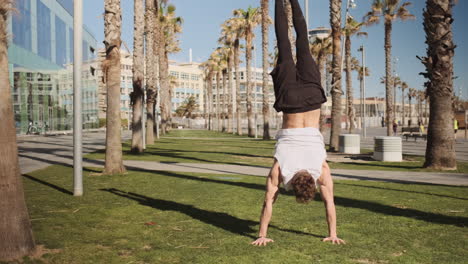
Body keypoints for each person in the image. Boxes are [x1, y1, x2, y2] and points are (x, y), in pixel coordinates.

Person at [251, 0, 345, 247]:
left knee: (302, 40)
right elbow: (267, 202)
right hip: (291, 101)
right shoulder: (282, 172)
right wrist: (262, 234)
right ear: (294, 186)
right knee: (284, 42)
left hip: (312, 100)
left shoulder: (320, 171)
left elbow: (330, 203)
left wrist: (333, 232)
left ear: (312, 184)